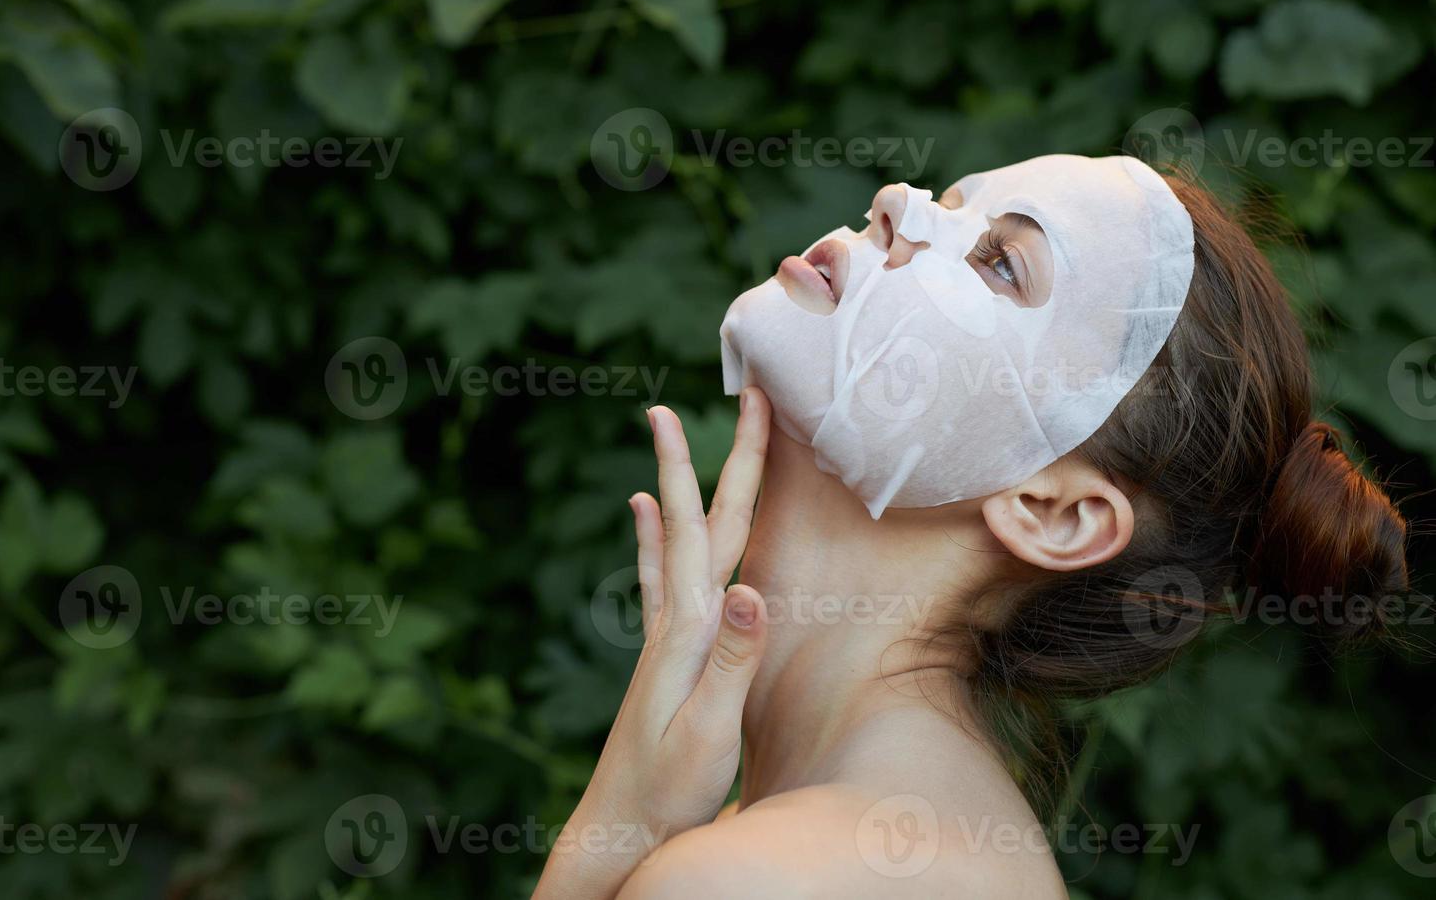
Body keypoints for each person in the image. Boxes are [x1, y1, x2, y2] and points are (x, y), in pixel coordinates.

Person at [532, 159, 1409, 899]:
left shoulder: (754, 879)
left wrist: (617, 828)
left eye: (1002, 262)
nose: (896, 202)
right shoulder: (803, 847)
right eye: (956, 207)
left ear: (1054, 514)